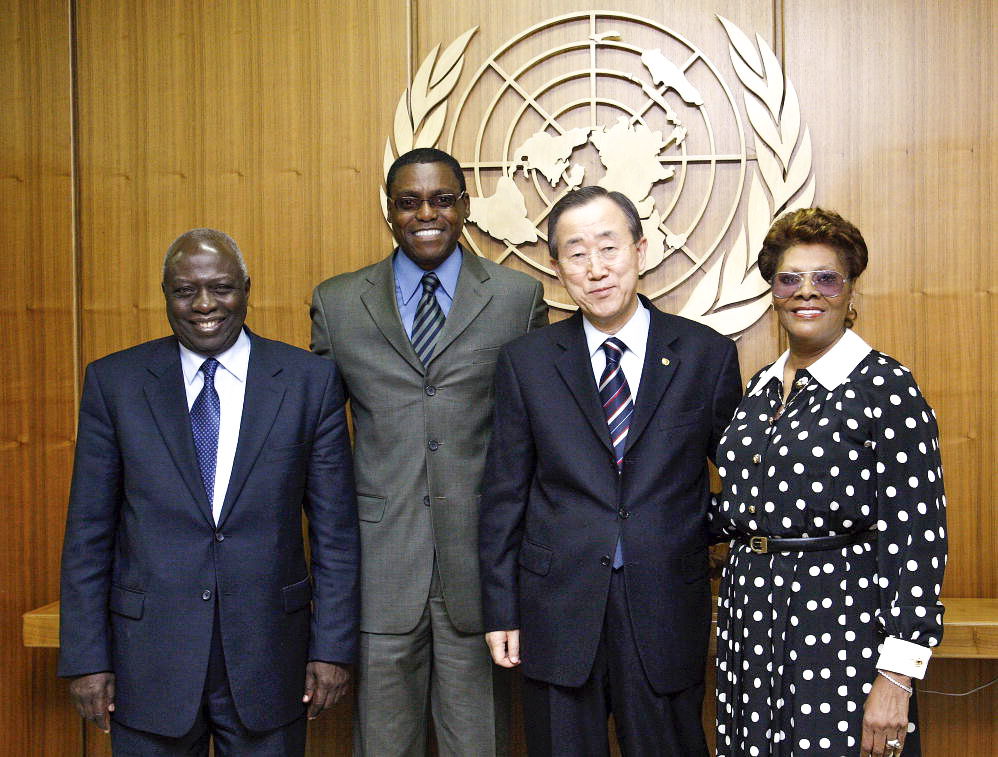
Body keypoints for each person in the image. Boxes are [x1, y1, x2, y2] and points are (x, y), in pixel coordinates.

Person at [58, 229, 359, 755]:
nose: (203, 305)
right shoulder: (115, 382)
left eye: (220, 288)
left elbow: (336, 533)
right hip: (148, 662)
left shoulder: (310, 382)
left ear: (246, 288)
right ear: (165, 294)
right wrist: (87, 658)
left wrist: (332, 648)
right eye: (184, 290)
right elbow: (88, 532)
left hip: (270, 657)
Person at [479, 185, 742, 755]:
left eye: (609, 247)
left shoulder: (707, 355)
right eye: (576, 253)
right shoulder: (526, 363)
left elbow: (741, 481)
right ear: (556, 267)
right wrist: (500, 609)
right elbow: (504, 494)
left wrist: (690, 532)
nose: (596, 269)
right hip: (557, 606)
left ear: (640, 251)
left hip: (666, 601)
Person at [310, 147, 548, 756]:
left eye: (442, 200)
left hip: (481, 572)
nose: (427, 214)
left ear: (465, 207)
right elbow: (316, 447)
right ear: (388, 211)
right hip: (381, 570)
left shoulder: (518, 299)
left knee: (479, 746)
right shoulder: (337, 303)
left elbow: (540, 441)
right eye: (409, 202)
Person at [711, 207, 947, 757]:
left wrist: (897, 678)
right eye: (789, 278)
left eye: (825, 278)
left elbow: (918, 538)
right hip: (751, 622)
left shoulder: (885, 386)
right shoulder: (761, 389)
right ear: (773, 290)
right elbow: (739, 510)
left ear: (849, 288)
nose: (806, 292)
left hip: (841, 626)